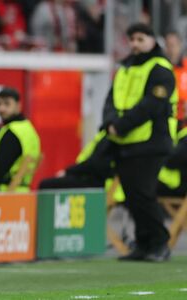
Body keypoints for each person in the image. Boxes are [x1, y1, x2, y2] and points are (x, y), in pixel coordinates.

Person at [104, 23, 177, 262]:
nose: (135, 43)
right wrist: (110, 123)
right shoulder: (125, 67)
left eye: (140, 38)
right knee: (132, 196)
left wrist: (121, 125)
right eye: (132, 39)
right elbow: (111, 99)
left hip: (152, 141)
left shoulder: (160, 69)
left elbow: (151, 106)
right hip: (126, 142)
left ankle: (160, 242)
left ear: (152, 40)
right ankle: (144, 244)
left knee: (144, 194)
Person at [38, 130, 112, 190]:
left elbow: (92, 164)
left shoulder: (108, 140)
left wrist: (68, 171)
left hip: (90, 179)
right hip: (84, 175)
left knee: (45, 184)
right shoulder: (103, 136)